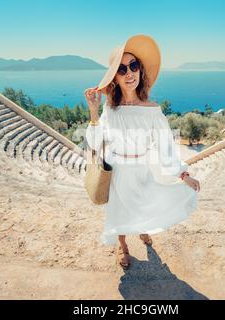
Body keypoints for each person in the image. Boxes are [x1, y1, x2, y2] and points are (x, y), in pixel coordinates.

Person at [84, 34, 200, 269]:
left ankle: (144, 229)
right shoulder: (110, 109)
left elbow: (166, 145)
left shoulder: (152, 110)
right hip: (116, 171)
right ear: (115, 77)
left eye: (134, 66)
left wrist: (183, 175)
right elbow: (95, 143)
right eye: (122, 69)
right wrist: (94, 112)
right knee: (118, 212)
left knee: (144, 203)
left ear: (140, 71)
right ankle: (123, 246)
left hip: (142, 168)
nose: (129, 73)